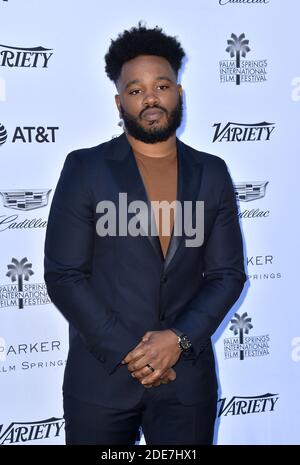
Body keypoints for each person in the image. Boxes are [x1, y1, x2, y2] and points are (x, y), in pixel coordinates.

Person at [44, 23, 246, 445]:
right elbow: (64, 275)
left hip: (186, 380)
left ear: (179, 93)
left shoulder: (212, 173)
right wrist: (136, 354)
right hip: (102, 381)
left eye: (161, 85)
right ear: (119, 103)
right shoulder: (85, 168)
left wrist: (178, 339)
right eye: (135, 91)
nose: (150, 98)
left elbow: (227, 274)